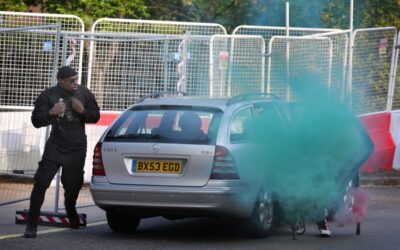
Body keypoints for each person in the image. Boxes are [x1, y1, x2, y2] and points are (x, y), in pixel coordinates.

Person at [23, 66, 100, 238]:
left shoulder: (84, 93)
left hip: (77, 148)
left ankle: (71, 212)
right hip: (56, 146)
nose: (76, 83)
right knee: (41, 182)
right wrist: (51, 112)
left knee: (73, 187)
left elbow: (96, 116)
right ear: (61, 81)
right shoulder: (48, 95)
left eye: (76, 79)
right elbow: (36, 120)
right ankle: (31, 225)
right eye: (71, 81)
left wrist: (84, 112)